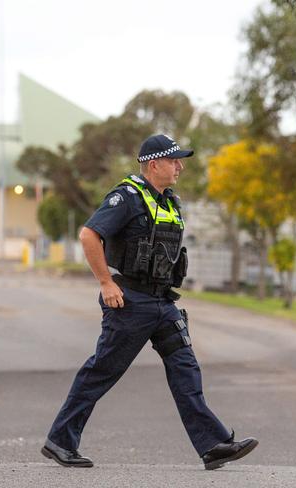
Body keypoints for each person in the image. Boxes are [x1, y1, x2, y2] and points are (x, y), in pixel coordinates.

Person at [41, 134, 258, 470]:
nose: (180, 167)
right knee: (102, 371)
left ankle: (213, 444)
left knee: (186, 368)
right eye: (174, 161)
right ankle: (61, 441)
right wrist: (105, 282)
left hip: (163, 303)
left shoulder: (169, 201)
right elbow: (89, 234)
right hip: (131, 303)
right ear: (154, 164)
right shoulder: (126, 197)